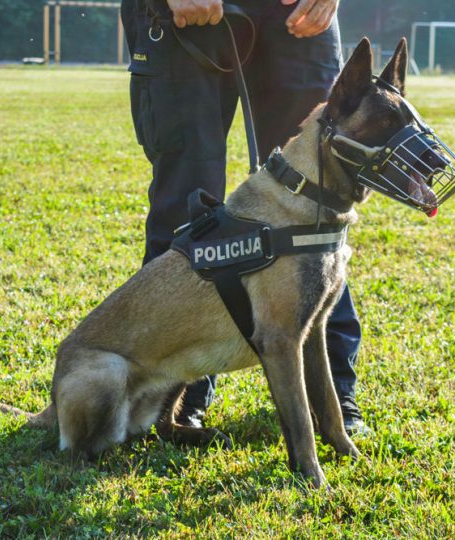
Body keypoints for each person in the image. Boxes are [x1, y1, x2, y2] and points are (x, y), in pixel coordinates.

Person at [120, 0, 368, 435]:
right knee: (185, 205)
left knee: (318, 199)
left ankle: (330, 400)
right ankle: (169, 402)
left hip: (294, 16)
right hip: (181, 15)